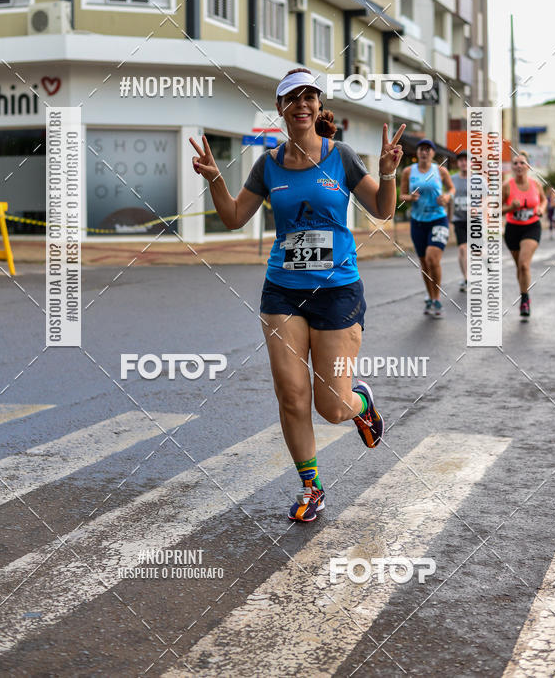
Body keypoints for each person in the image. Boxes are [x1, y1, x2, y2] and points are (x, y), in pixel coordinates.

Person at [190, 67, 405, 522]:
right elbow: (232, 217)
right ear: (281, 108)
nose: (303, 104)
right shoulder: (268, 164)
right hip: (282, 292)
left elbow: (384, 211)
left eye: (310, 97)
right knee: (291, 395)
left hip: (337, 291)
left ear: (317, 105)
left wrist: (388, 174)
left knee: (332, 407)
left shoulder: (341, 157)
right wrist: (214, 178)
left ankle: (361, 403)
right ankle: (312, 489)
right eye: (294, 98)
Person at [399, 140, 455, 317]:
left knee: (433, 259)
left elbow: (452, 189)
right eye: (421, 149)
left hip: (438, 219)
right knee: (424, 263)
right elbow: (401, 194)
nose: (424, 153)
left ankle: (437, 298)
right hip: (418, 222)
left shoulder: (440, 171)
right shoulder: (409, 172)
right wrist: (410, 197)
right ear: (418, 152)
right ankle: (430, 296)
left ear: (432, 153)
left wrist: (447, 197)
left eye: (427, 150)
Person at [502, 151, 546, 318]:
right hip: (513, 230)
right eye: (515, 163)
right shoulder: (507, 186)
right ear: (512, 168)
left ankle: (525, 299)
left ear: (528, 166)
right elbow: (494, 210)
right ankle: (523, 293)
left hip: (532, 227)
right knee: (519, 267)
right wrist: (510, 208)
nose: (519, 166)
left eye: (522, 163)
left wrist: (541, 209)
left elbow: (543, 200)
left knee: (524, 264)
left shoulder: (536, 185)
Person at [450, 150, 469, 292]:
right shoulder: (452, 179)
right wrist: (449, 216)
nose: (464, 162)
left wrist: (479, 207)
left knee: (477, 251)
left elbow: (486, 199)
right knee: (462, 248)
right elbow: (448, 198)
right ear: (458, 163)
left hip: (475, 220)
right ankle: (466, 278)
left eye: (466, 160)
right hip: (459, 219)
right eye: (461, 160)